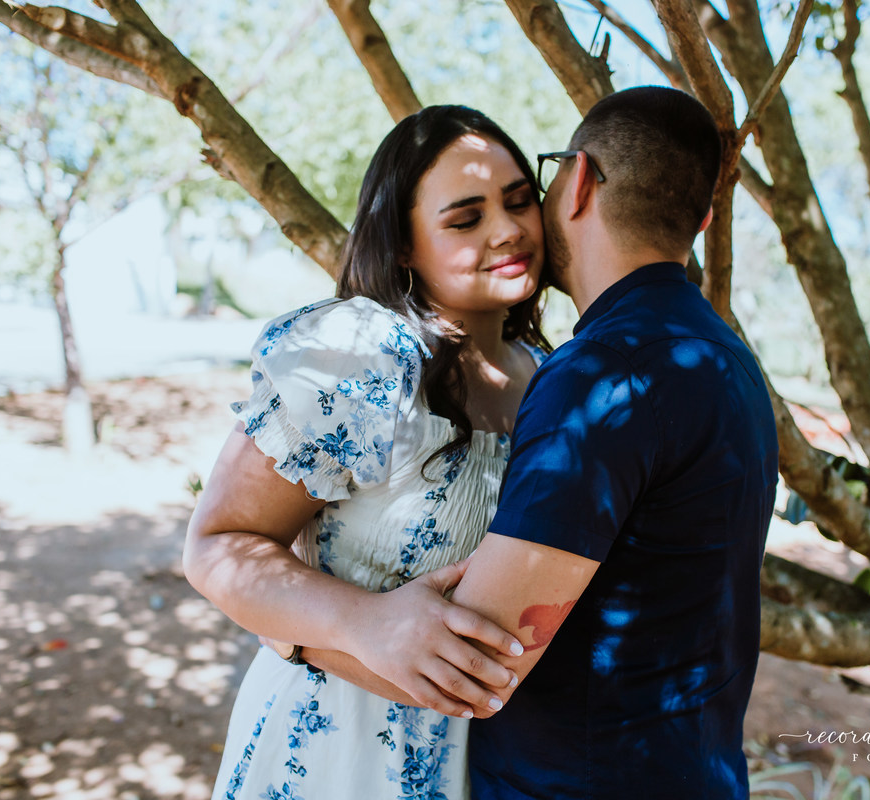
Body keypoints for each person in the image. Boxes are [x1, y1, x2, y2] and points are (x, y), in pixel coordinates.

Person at [182, 104, 550, 800]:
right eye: (465, 218)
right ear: (405, 245)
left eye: (520, 200)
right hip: (333, 753)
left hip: (499, 762)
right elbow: (217, 545)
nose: (508, 230)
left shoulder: (553, 375)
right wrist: (360, 622)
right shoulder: (358, 360)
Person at [443, 86, 781, 798]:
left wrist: (299, 631)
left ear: (581, 180)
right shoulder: (729, 362)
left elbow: (480, 658)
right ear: (705, 219)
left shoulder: (604, 377)